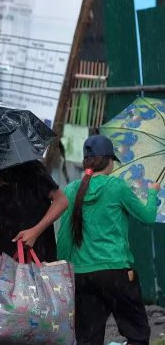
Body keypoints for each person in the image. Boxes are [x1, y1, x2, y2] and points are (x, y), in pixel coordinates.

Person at [57, 135, 159, 345]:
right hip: (115, 272)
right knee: (137, 335)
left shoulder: (71, 189)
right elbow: (148, 218)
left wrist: (64, 271)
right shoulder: (117, 187)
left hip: (82, 275)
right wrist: (152, 194)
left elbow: (64, 237)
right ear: (109, 161)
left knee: (88, 340)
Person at [0, 160, 68, 262]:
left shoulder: (32, 167)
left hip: (36, 252)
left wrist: (35, 231)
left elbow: (61, 201)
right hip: (3, 253)